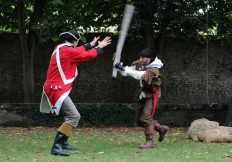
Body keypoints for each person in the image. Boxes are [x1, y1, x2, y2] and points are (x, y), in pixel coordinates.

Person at [40, 30, 112, 156]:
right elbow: (84, 55)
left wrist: (91, 44)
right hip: (56, 89)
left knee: (71, 116)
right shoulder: (67, 51)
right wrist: (99, 47)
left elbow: (77, 51)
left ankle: (63, 143)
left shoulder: (61, 47)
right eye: (77, 42)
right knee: (74, 116)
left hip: (54, 87)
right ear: (75, 41)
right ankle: (57, 146)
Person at [114, 48, 170, 149]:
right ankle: (161, 129)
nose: (141, 59)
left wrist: (123, 68)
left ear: (149, 58)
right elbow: (126, 72)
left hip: (153, 95)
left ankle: (150, 142)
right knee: (140, 120)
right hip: (144, 94)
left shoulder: (154, 70)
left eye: (143, 58)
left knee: (145, 117)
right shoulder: (140, 63)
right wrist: (118, 66)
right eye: (140, 57)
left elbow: (139, 75)